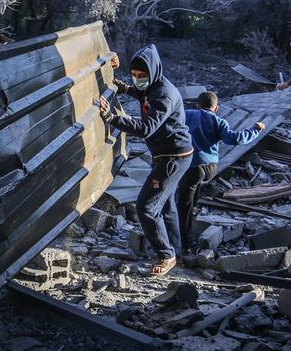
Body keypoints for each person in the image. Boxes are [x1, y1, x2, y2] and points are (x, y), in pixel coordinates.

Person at [99, 45, 194, 276]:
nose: (138, 79)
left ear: (153, 72)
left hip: (172, 158)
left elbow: (146, 128)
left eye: (142, 75)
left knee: (146, 206)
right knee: (167, 207)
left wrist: (112, 117)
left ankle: (166, 254)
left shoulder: (164, 95)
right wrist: (123, 86)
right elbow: (142, 92)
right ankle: (176, 252)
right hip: (175, 154)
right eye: (134, 75)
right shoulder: (153, 85)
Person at [177, 91, 264, 248]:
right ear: (216, 108)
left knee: (183, 203)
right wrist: (255, 129)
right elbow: (235, 138)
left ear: (197, 105)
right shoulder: (218, 121)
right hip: (211, 167)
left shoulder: (187, 114)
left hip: (193, 166)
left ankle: (185, 243)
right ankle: (194, 215)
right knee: (194, 191)